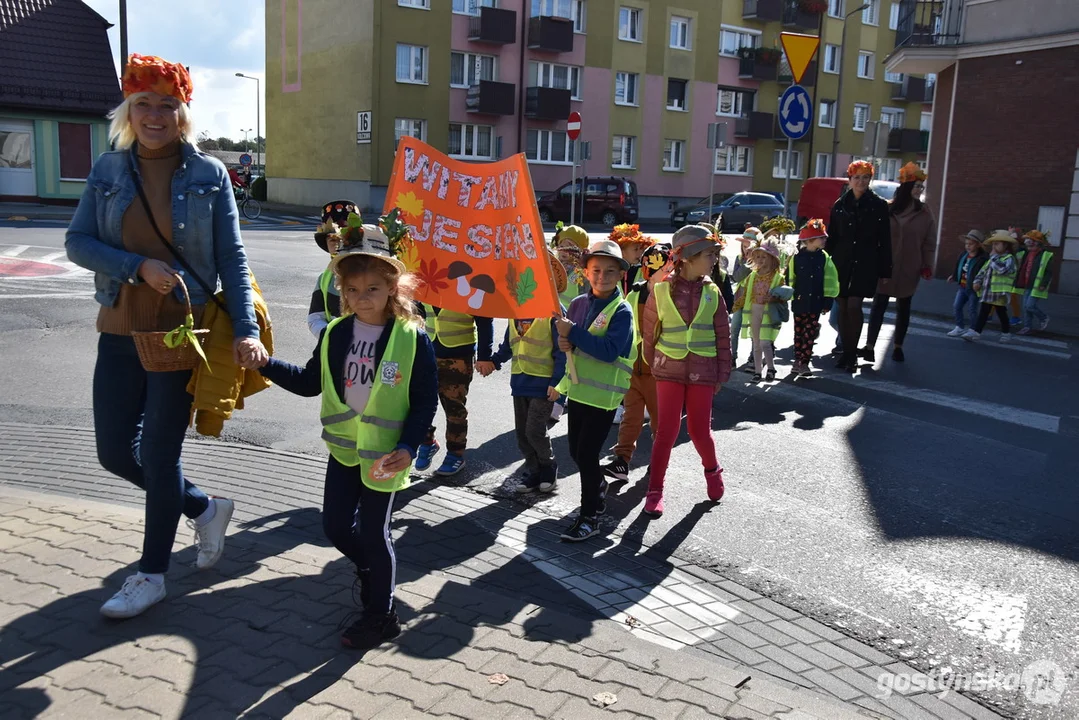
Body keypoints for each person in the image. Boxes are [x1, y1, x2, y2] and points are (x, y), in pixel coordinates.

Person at [64, 54, 268, 619]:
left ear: (183, 112)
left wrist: (246, 331)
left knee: (158, 453)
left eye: (167, 105)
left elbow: (232, 256)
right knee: (113, 452)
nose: (156, 114)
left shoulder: (209, 175)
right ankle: (203, 507)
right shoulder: (109, 170)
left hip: (185, 331)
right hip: (120, 325)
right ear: (129, 110)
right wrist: (136, 266)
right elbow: (77, 243)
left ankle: (151, 574)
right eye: (144, 104)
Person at [255, 222, 438, 649]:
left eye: (372, 288)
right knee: (335, 527)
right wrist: (264, 363)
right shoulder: (336, 333)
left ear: (392, 286)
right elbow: (308, 382)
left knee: (375, 534)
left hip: (386, 456)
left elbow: (424, 399)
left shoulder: (412, 336)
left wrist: (409, 447)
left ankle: (382, 614)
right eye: (351, 289)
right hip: (343, 453)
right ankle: (374, 572)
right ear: (341, 289)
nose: (361, 298)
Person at [640, 225, 731, 517]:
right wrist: (655, 364)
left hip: (703, 372)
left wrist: (722, 372)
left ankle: (712, 470)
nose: (714, 260)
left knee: (699, 431)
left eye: (715, 255)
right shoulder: (662, 290)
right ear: (689, 257)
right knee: (665, 431)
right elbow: (650, 331)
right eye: (709, 254)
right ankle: (655, 491)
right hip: (669, 370)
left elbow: (722, 335)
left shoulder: (713, 291)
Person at [553, 240, 635, 542]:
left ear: (620, 274)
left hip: (603, 397)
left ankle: (590, 515)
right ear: (586, 272)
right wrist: (567, 342)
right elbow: (574, 344)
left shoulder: (621, 310)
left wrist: (571, 334)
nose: (603, 276)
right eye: (596, 270)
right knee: (576, 451)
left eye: (610, 271)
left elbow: (609, 350)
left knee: (586, 454)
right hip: (579, 392)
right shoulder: (578, 304)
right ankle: (598, 487)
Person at [490, 250, 569, 494]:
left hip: (543, 384)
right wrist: (493, 361)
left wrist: (557, 384)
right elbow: (509, 345)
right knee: (522, 435)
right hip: (520, 382)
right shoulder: (517, 311)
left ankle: (548, 467)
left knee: (535, 430)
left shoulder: (555, 313)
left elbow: (562, 353)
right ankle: (534, 471)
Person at [601, 243, 670, 483]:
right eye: (651, 267)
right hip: (633, 369)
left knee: (660, 421)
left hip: (658, 372)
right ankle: (622, 461)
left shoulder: (672, 296)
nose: (657, 274)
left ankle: (658, 463)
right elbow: (626, 327)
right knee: (631, 416)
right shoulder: (636, 294)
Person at [862, 163, 936, 363]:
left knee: (904, 307)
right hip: (886, 265)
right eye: (916, 186)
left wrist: (927, 265)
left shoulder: (925, 212)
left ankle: (898, 347)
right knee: (879, 304)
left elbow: (929, 243)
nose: (919, 190)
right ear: (905, 187)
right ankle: (869, 347)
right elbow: (875, 238)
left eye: (921, 187)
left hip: (910, 266)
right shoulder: (888, 209)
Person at [414, 302, 495, 476]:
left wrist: (484, 356)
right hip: (428, 353)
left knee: (454, 407)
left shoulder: (468, 284)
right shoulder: (429, 280)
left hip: (458, 356)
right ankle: (427, 442)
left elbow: (484, 320)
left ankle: (455, 454)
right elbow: (417, 310)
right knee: (417, 401)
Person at [826, 160, 892, 372]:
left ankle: (852, 353)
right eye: (857, 177)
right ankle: (845, 352)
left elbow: (885, 239)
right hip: (841, 262)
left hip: (866, 263)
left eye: (866, 177)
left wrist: (885, 270)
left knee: (854, 306)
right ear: (850, 180)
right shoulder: (839, 205)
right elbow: (833, 238)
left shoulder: (878, 205)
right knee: (843, 308)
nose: (861, 181)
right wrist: (826, 266)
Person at [549, 223, 590, 425]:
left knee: (566, 363)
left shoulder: (581, 273)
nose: (565, 250)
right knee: (553, 361)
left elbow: (586, 297)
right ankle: (552, 397)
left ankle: (558, 404)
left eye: (571, 246)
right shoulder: (553, 268)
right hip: (550, 320)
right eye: (562, 244)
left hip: (570, 322)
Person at [788, 219, 839, 377]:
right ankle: (797, 359)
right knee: (798, 332)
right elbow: (791, 278)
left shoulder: (824, 258)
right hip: (800, 301)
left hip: (816, 302)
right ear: (809, 240)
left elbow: (830, 279)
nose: (825, 240)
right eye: (821, 238)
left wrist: (828, 299)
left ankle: (804, 362)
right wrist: (789, 295)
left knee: (809, 333)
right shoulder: (796, 258)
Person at [307, 200, 357, 338]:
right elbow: (315, 317)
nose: (338, 245)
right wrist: (331, 336)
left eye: (343, 239)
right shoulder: (324, 279)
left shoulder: (369, 272)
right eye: (333, 240)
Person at [741, 236, 788, 382]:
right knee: (756, 343)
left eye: (764, 257)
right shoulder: (752, 276)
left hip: (768, 311)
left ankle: (771, 368)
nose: (760, 260)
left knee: (765, 342)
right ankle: (757, 371)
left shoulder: (777, 277)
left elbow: (785, 295)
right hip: (754, 310)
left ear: (772, 258)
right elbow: (744, 293)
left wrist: (775, 298)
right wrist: (737, 306)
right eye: (758, 257)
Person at [963, 230, 1019, 343]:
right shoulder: (992, 259)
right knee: (984, 312)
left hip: (999, 292)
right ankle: (976, 332)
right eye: (993, 244)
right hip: (988, 291)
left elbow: (1002, 270)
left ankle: (1006, 333)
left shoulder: (1009, 258)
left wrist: (993, 258)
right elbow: (983, 270)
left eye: (997, 244)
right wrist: (977, 281)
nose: (994, 246)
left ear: (1006, 245)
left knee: (1001, 313)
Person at [946, 230, 988, 337]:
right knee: (957, 306)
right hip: (963, 286)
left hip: (973, 288)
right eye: (966, 244)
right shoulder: (964, 255)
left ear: (978, 245)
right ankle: (959, 327)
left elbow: (983, 272)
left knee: (972, 309)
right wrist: (954, 276)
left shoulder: (982, 258)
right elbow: (958, 266)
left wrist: (980, 283)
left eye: (971, 244)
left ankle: (973, 329)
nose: (968, 246)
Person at [728, 227, 760, 369]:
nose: (746, 245)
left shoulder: (763, 258)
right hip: (741, 297)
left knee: (754, 330)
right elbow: (736, 277)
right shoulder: (740, 258)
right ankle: (732, 356)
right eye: (744, 243)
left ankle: (753, 358)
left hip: (755, 298)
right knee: (734, 328)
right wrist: (747, 262)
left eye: (750, 243)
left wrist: (754, 260)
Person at [1012, 230, 1054, 335]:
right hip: (1026, 284)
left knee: (1029, 306)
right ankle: (1027, 327)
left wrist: (1043, 284)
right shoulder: (1026, 253)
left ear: (1038, 243)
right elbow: (1017, 247)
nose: (1027, 244)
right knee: (1025, 307)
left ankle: (1044, 318)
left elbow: (1048, 272)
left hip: (1036, 285)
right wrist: (1014, 236)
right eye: (1026, 241)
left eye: (1030, 241)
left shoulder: (1045, 255)